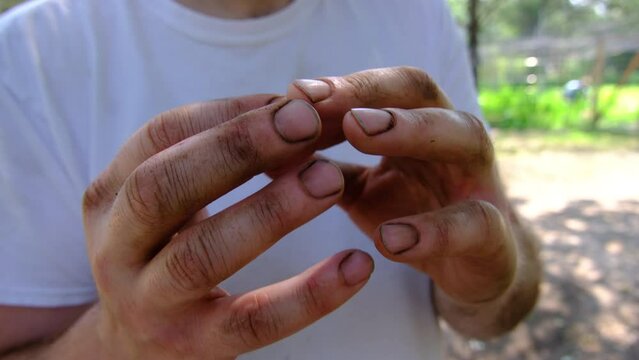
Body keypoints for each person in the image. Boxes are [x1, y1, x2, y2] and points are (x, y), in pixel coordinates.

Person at [0, 0, 541, 358]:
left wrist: (492, 283)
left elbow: (501, 301)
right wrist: (116, 341)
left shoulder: (416, 11)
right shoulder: (28, 56)